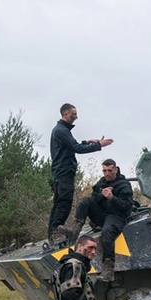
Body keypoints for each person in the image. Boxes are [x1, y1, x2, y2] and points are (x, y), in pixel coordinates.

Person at [58, 159, 133, 282]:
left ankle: (108, 269)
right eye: (104, 170)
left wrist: (112, 198)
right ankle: (75, 229)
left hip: (117, 216)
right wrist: (102, 195)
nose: (107, 173)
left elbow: (127, 207)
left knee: (107, 232)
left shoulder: (123, 185)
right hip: (103, 215)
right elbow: (94, 198)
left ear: (115, 169)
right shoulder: (102, 182)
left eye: (109, 170)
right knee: (85, 201)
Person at [48, 103, 113, 241]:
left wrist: (88, 141)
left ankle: (52, 234)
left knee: (58, 204)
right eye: (73, 114)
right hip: (64, 172)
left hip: (60, 172)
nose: (76, 117)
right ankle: (56, 232)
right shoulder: (61, 130)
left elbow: (73, 145)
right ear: (65, 114)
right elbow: (77, 148)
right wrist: (98, 145)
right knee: (64, 203)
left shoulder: (61, 130)